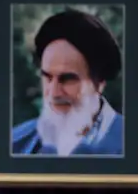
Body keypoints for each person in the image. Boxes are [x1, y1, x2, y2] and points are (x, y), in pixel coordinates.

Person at [11, 8, 124, 157]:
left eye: (68, 79)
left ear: (99, 83)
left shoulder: (134, 145)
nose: (53, 93)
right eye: (48, 77)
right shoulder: (16, 143)